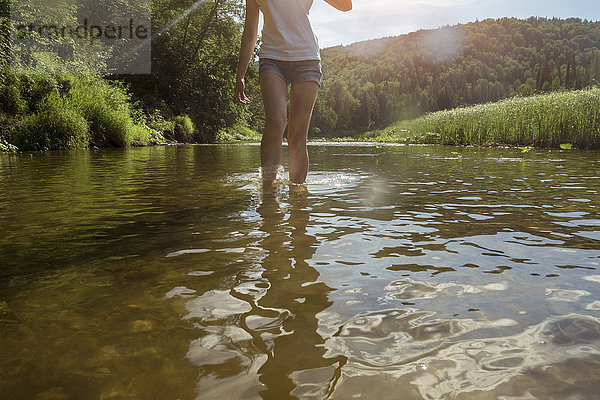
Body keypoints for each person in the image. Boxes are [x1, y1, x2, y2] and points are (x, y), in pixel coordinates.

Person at [235, 0, 352, 186]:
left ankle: (297, 198)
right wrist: (241, 73)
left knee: (297, 135)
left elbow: (346, 6)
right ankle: (268, 194)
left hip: (307, 60)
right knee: (276, 121)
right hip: (272, 59)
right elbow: (250, 31)